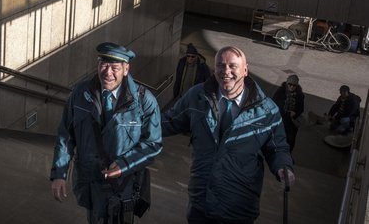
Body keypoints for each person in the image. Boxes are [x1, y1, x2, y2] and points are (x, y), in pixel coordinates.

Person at [162, 45, 295, 223]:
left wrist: (283, 166)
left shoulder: (266, 110)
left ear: (245, 70)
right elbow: (168, 122)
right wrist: (132, 124)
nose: (226, 71)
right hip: (201, 202)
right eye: (220, 65)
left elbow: (277, 147)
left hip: (239, 206)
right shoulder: (197, 96)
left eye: (233, 66)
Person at [50, 42, 162, 223]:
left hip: (124, 185)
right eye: (103, 65)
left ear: (126, 69)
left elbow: (153, 144)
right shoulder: (80, 94)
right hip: (90, 181)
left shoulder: (144, 101)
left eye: (115, 67)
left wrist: (124, 164)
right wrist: (59, 173)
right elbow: (66, 136)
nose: (107, 72)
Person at [272, 74, 305, 153]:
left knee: (290, 139)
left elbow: (301, 108)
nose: (292, 87)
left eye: (294, 85)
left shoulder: (299, 94)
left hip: (292, 122)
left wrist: (295, 113)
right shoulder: (280, 91)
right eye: (290, 84)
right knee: (279, 137)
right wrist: (286, 113)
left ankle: (287, 154)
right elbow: (274, 104)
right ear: (287, 83)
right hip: (281, 119)